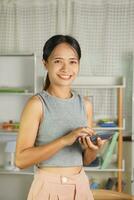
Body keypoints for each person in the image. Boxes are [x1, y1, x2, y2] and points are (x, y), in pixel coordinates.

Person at [15, 35, 104, 200]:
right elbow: (20, 160)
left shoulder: (85, 105)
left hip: (81, 186)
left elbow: (85, 160)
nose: (66, 68)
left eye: (72, 61)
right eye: (58, 61)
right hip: (47, 189)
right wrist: (64, 140)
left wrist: (93, 150)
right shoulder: (36, 104)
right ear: (45, 63)